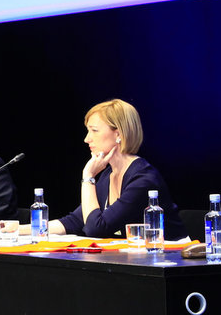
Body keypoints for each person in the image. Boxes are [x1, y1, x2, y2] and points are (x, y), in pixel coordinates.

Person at [49, 98, 185, 238]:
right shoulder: (108, 175)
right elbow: (75, 221)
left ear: (118, 134)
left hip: (169, 256)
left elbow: (96, 229)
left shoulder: (143, 179)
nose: (87, 139)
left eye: (94, 130)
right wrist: (26, 230)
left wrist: (88, 177)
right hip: (134, 258)